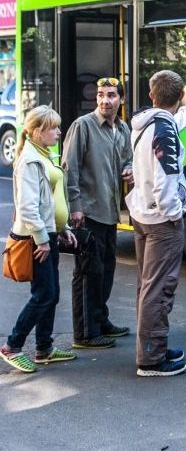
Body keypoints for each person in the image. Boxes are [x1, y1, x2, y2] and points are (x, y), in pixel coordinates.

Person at [127, 71, 186, 377]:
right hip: (162, 219)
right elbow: (165, 181)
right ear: (177, 97)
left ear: (152, 95)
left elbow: (174, 122)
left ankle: (152, 345)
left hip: (141, 213)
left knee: (147, 284)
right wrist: (175, 214)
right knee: (159, 287)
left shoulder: (147, 123)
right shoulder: (163, 131)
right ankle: (151, 358)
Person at [1, 106, 77, 373]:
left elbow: (53, 197)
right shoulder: (29, 161)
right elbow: (29, 208)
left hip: (49, 234)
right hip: (36, 240)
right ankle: (12, 345)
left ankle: (44, 348)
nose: (58, 131)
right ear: (36, 132)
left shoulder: (44, 153)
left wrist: (63, 225)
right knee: (43, 295)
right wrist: (43, 239)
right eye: (53, 127)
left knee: (51, 294)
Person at [62, 77, 133, 349]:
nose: (105, 100)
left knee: (105, 270)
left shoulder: (122, 128)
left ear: (121, 100)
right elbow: (70, 168)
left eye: (111, 95)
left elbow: (127, 158)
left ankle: (101, 320)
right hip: (89, 212)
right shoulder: (83, 126)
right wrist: (75, 206)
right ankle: (85, 333)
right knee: (88, 273)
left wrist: (130, 168)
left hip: (110, 210)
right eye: (101, 95)